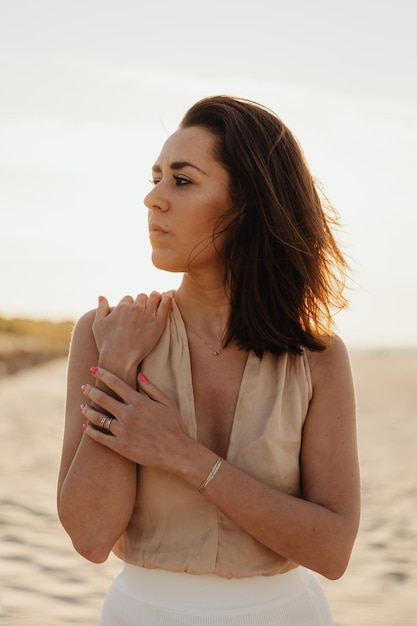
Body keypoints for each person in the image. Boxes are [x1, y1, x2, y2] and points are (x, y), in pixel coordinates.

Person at [57, 95, 360, 625]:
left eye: (182, 180)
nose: (153, 199)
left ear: (247, 203)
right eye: (154, 179)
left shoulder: (317, 358)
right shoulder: (107, 335)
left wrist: (184, 456)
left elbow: (333, 551)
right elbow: (90, 537)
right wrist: (120, 363)